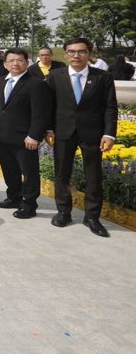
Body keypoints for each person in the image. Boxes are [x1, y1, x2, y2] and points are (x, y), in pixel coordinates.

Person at [46, 37, 118, 237]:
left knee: (93, 176)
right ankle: (63, 212)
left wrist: (109, 134)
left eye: (81, 51)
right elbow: (48, 105)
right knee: (62, 174)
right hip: (63, 131)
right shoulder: (55, 76)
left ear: (89, 54)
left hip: (92, 133)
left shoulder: (103, 77)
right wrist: (48, 129)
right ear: (65, 54)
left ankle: (92, 217)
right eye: (71, 51)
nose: (76, 55)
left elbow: (110, 107)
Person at [0, 48, 50, 219]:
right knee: (10, 170)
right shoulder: (2, 80)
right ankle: (14, 197)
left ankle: (29, 205)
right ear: (5, 64)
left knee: (29, 172)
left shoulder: (36, 83)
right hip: (3, 135)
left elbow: (41, 113)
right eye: (11, 60)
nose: (15, 64)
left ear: (27, 63)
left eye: (19, 60)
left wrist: (34, 135)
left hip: (25, 138)